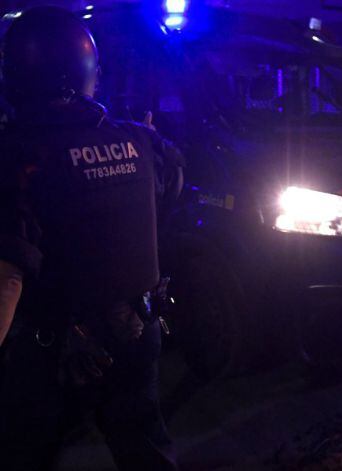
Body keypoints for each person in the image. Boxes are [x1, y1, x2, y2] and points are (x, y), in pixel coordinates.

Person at [0, 7, 182, 470]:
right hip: (137, 333)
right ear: (86, 73)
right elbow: (167, 195)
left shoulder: (17, 154)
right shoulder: (144, 140)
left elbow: (8, 277)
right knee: (146, 453)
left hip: (53, 352)